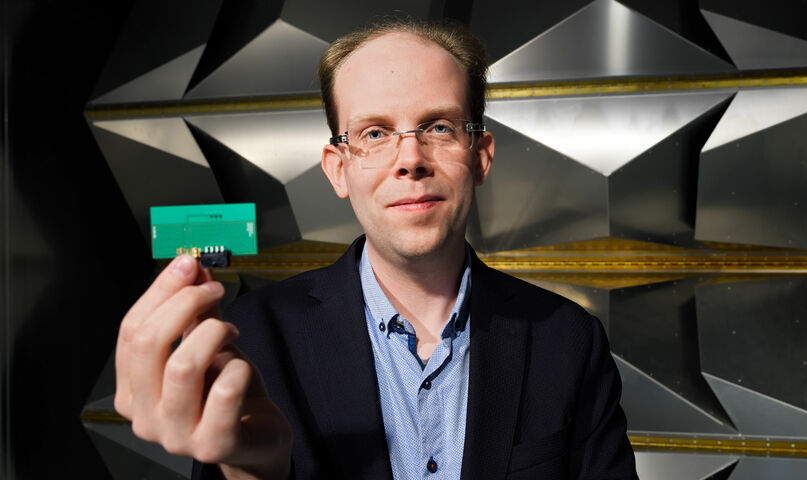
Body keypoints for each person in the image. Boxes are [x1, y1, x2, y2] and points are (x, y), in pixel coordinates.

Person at [114, 18, 637, 480]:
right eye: (374, 133)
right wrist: (252, 473)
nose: (410, 159)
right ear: (338, 170)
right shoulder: (252, 338)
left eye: (438, 127)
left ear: (479, 157)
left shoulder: (569, 339)